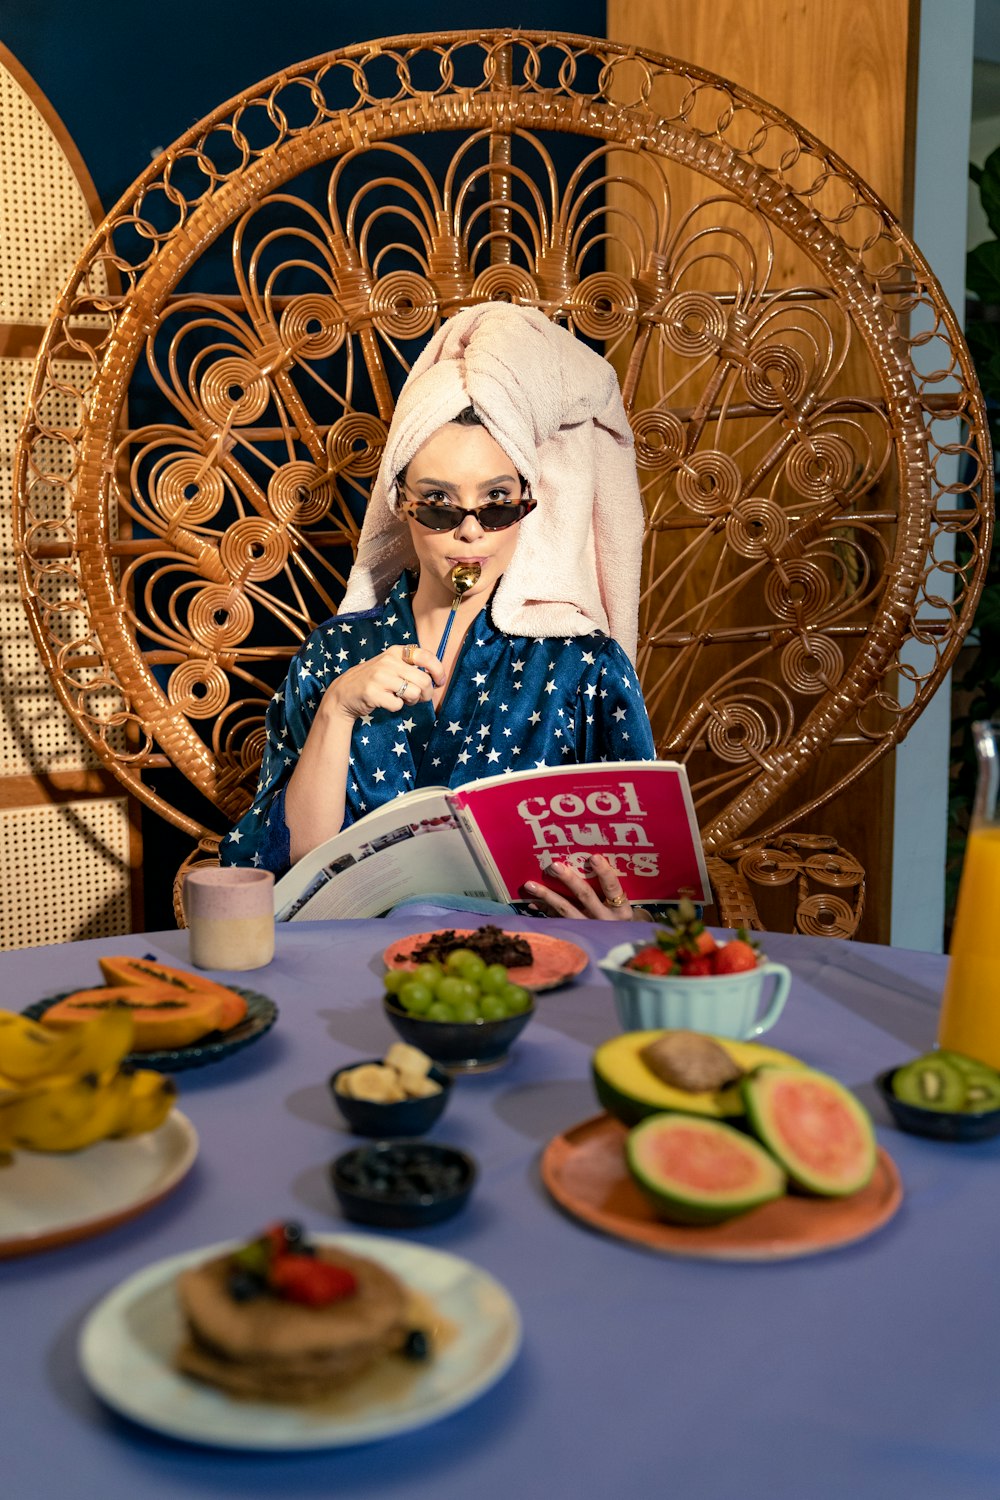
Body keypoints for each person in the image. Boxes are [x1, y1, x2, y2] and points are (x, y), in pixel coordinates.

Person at [222, 304, 656, 920]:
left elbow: (649, 885)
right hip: (359, 969)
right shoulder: (336, 654)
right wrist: (337, 710)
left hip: (541, 972)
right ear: (400, 503)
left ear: (531, 501)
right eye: (439, 504)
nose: (470, 532)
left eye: (498, 502)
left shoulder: (584, 664)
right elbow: (293, 871)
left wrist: (624, 919)